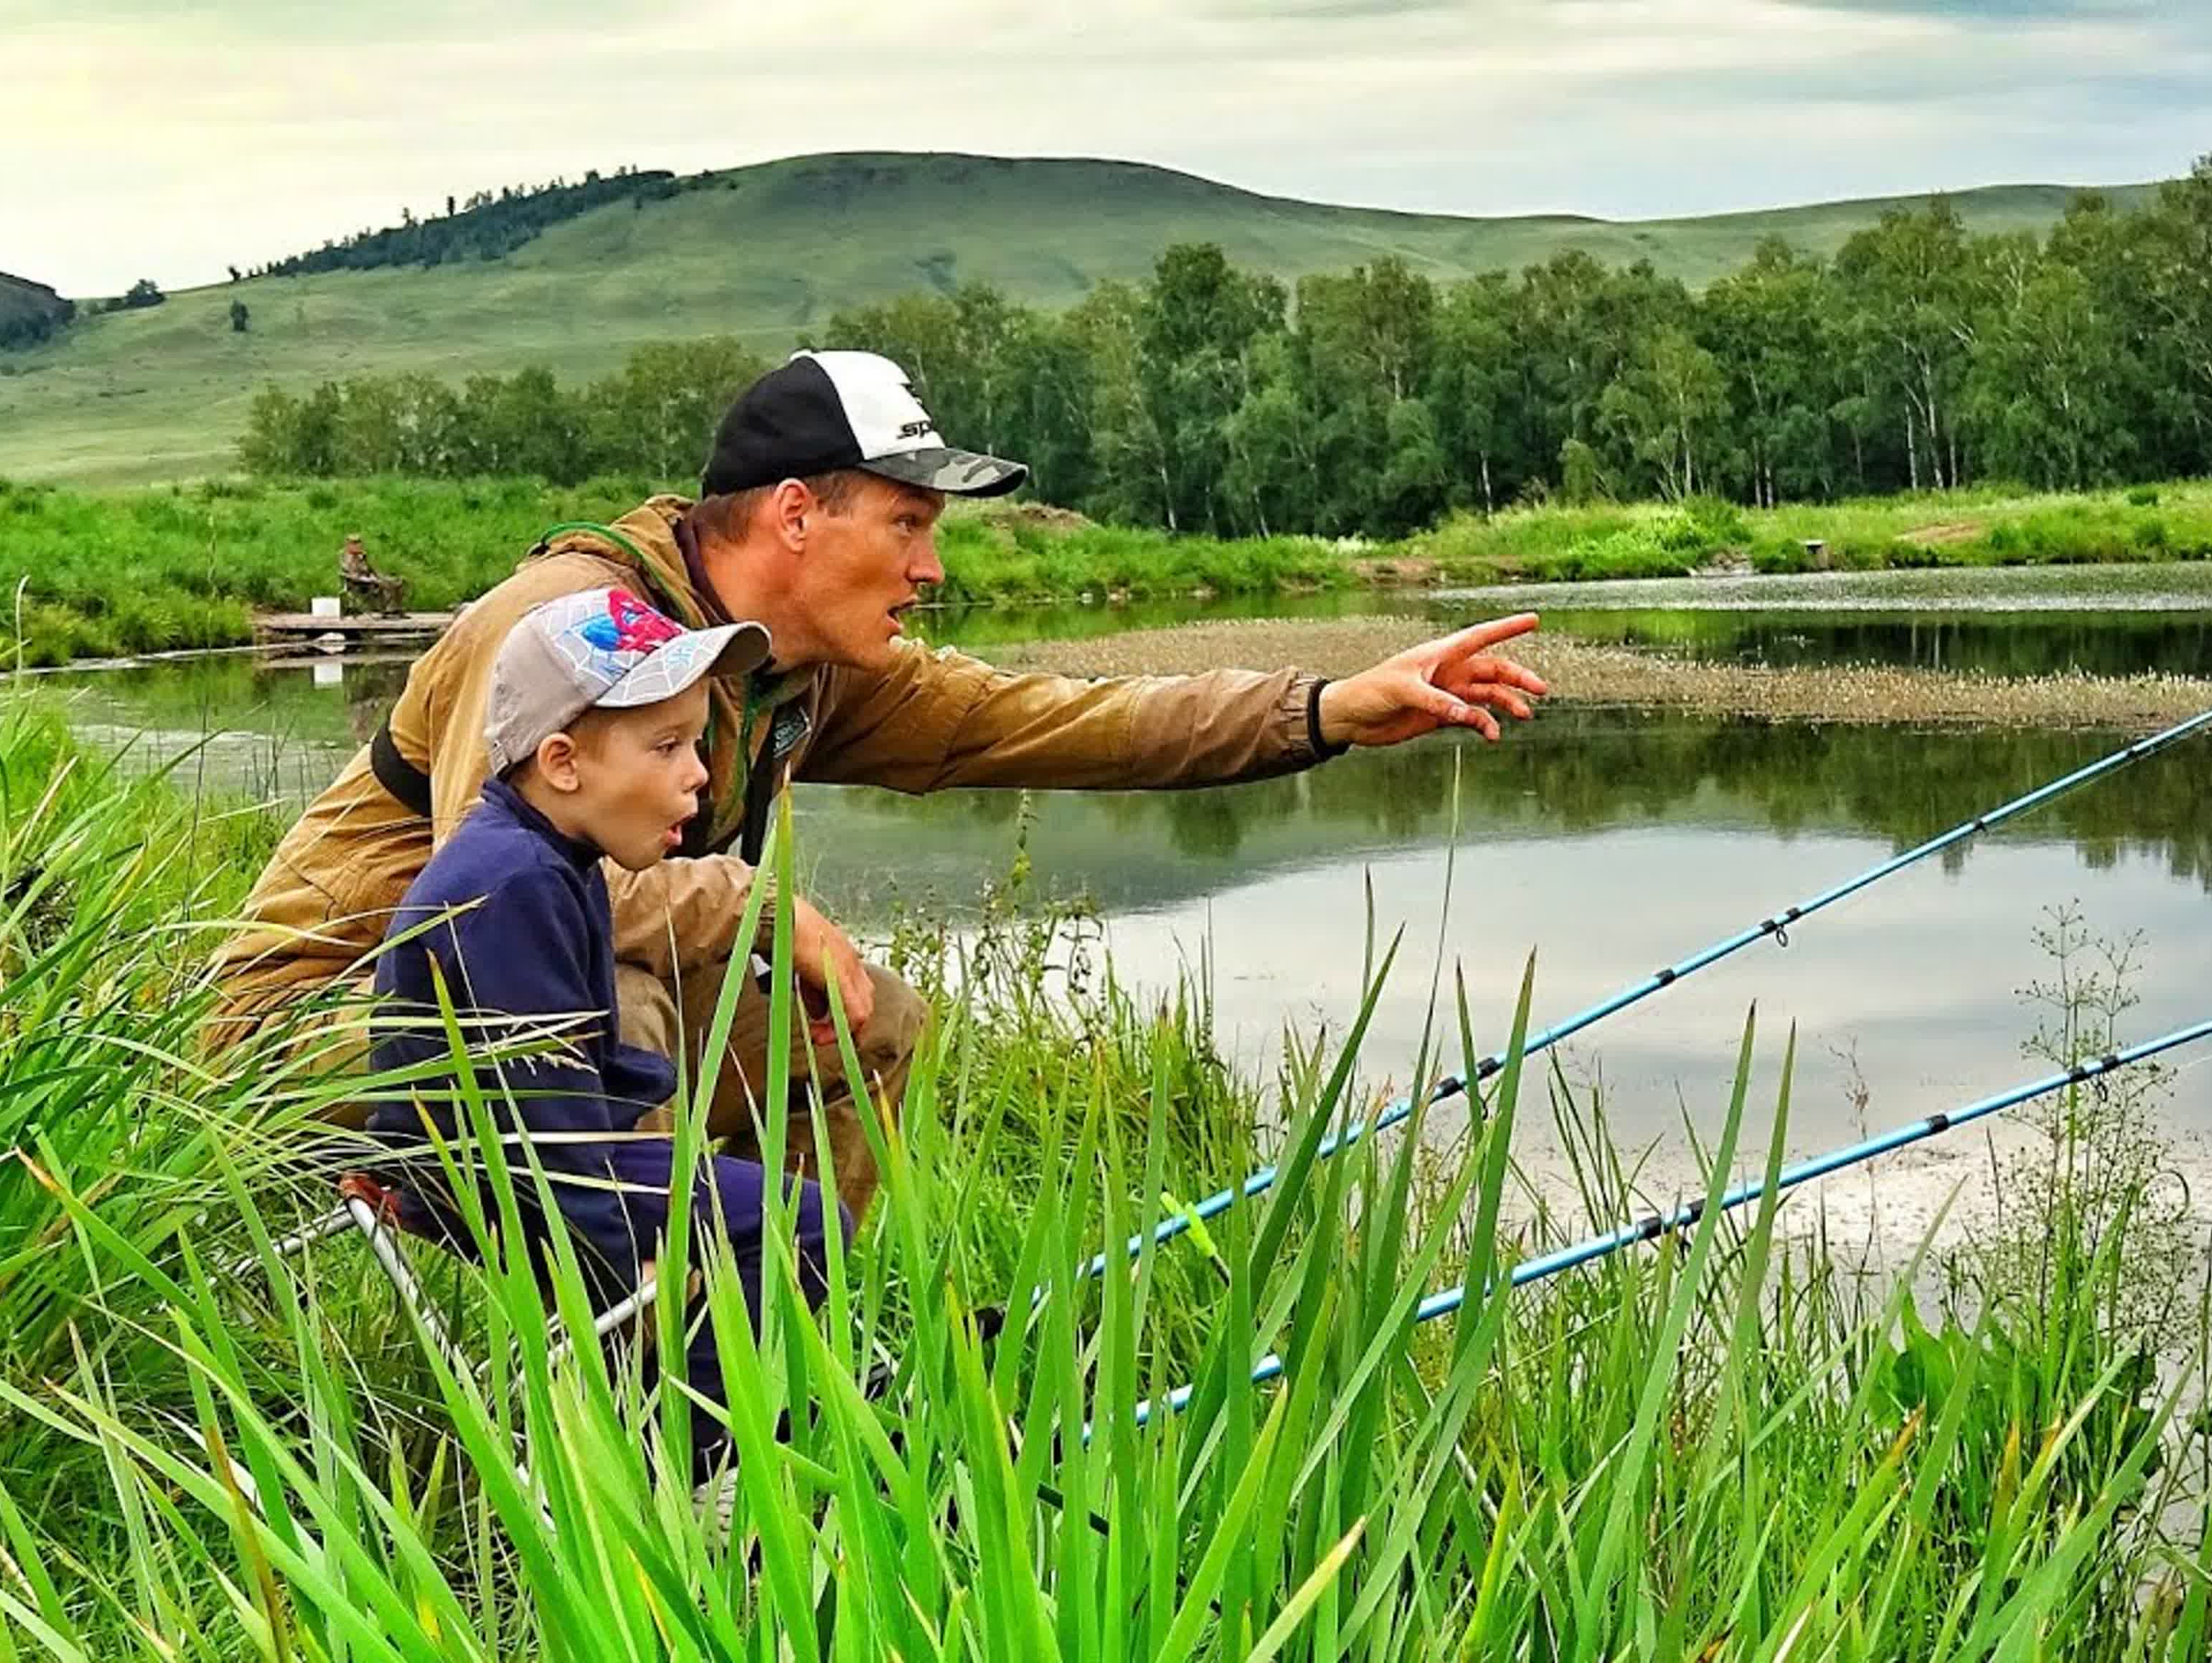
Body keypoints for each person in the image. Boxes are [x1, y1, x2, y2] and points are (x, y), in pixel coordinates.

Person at [214, 349, 1549, 1220]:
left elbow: (1055, 721)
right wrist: (745, 897)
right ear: (795, 515)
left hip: (504, 1039)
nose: (930, 567)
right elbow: (495, 903)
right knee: (630, 1004)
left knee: (862, 1015)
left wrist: (1325, 708)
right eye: (906, 525)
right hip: (320, 1040)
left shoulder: (801, 666)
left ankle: (782, 1351)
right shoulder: (571, 628)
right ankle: (631, 1413)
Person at [365, 585, 811, 1482]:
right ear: (563, 762)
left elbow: (562, 1075)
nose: (701, 775)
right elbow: (540, 1129)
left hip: (508, 1155)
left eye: (696, 742)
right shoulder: (513, 881)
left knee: (756, 1205)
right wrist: (636, 1248)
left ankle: (681, 1425)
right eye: (667, 747)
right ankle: (697, 1470)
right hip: (486, 1173)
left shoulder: (548, 856)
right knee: (792, 1221)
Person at [339, 533, 407, 614]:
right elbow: (351, 575)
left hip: (370, 579)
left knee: (397, 582)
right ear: (349, 545)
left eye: (358, 543)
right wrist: (369, 579)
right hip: (357, 584)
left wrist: (381, 577)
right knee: (381, 584)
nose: (358, 545)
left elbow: (371, 569)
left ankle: (396, 608)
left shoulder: (362, 555)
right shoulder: (345, 557)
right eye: (354, 543)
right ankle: (387, 608)